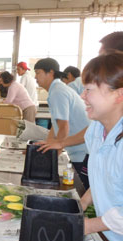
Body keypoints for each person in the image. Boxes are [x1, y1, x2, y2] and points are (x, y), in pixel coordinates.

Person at [37, 32, 123, 153]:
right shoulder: (100, 123)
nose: (82, 96)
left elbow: (63, 126)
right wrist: (55, 144)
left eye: (104, 57)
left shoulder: (58, 90)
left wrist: (56, 148)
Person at [79, 52, 123, 241]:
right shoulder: (96, 130)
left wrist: (87, 226)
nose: (82, 96)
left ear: (118, 95)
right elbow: (102, 177)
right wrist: (83, 202)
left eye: (89, 90)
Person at [34, 57, 90, 186]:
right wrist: (47, 147)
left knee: (81, 189)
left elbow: (64, 127)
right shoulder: (57, 90)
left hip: (81, 151)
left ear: (51, 72)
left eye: (38, 72)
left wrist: (52, 156)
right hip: (78, 148)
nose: (35, 77)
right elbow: (56, 125)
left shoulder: (58, 92)